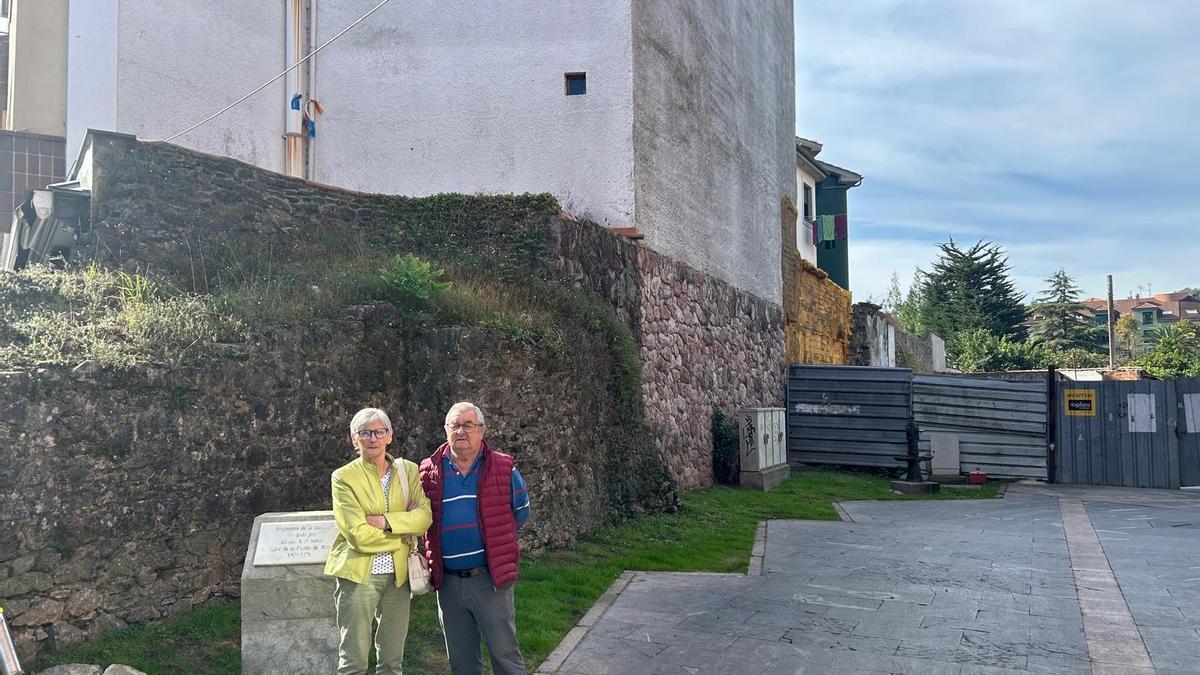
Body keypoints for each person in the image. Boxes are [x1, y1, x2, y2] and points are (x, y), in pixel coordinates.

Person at [420, 402, 531, 675]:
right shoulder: (428, 471)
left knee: (505, 657)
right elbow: (420, 519)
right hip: (448, 582)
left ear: (481, 430)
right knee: (462, 662)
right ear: (446, 430)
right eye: (455, 425)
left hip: (489, 579)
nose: (461, 431)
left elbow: (521, 511)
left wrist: (494, 541)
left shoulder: (503, 468)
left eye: (468, 425)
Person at [325, 408, 432, 675]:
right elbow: (357, 535)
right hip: (358, 576)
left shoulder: (408, 470)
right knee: (353, 662)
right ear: (354, 439)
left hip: (398, 578)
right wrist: (402, 537)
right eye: (364, 433)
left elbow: (424, 517)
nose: (372, 438)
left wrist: (385, 521)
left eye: (379, 432)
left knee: (392, 662)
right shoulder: (343, 477)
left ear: (389, 436)